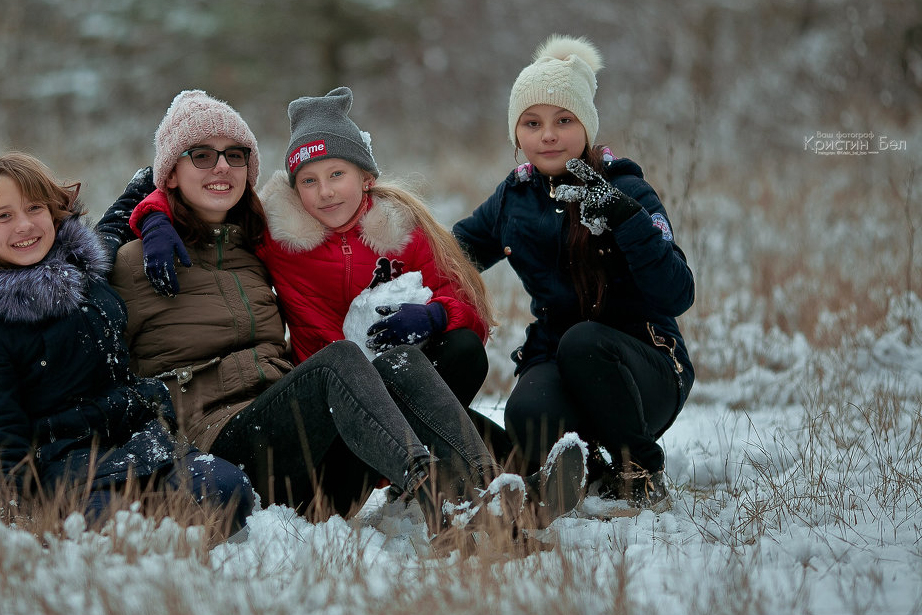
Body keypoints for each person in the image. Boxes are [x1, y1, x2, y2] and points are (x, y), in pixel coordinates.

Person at [123, 88, 588, 524]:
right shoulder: (137, 260)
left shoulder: (251, 240)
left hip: (308, 435)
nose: (221, 167)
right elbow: (97, 334)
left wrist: (435, 314)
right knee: (345, 360)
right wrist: (153, 215)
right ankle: (442, 500)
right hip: (223, 443)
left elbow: (461, 298)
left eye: (235, 155)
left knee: (399, 363)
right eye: (201, 156)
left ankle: (492, 494)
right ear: (169, 175)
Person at [0, 152, 254, 537]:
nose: (24, 225)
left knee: (228, 489)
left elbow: (124, 211)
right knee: (117, 528)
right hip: (66, 465)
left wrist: (162, 181)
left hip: (142, 443)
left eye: (34, 208)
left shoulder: (84, 268)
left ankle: (164, 529)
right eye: (3, 216)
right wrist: (6, 525)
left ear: (53, 212)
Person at [452, 35, 695, 511]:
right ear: (516, 134)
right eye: (532, 123)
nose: (548, 135)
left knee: (585, 340)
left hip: (644, 367)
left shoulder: (625, 187)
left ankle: (640, 470)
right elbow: (453, 253)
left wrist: (628, 221)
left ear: (585, 125)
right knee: (527, 414)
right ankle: (590, 469)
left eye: (564, 121)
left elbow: (677, 294)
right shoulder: (514, 198)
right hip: (560, 359)